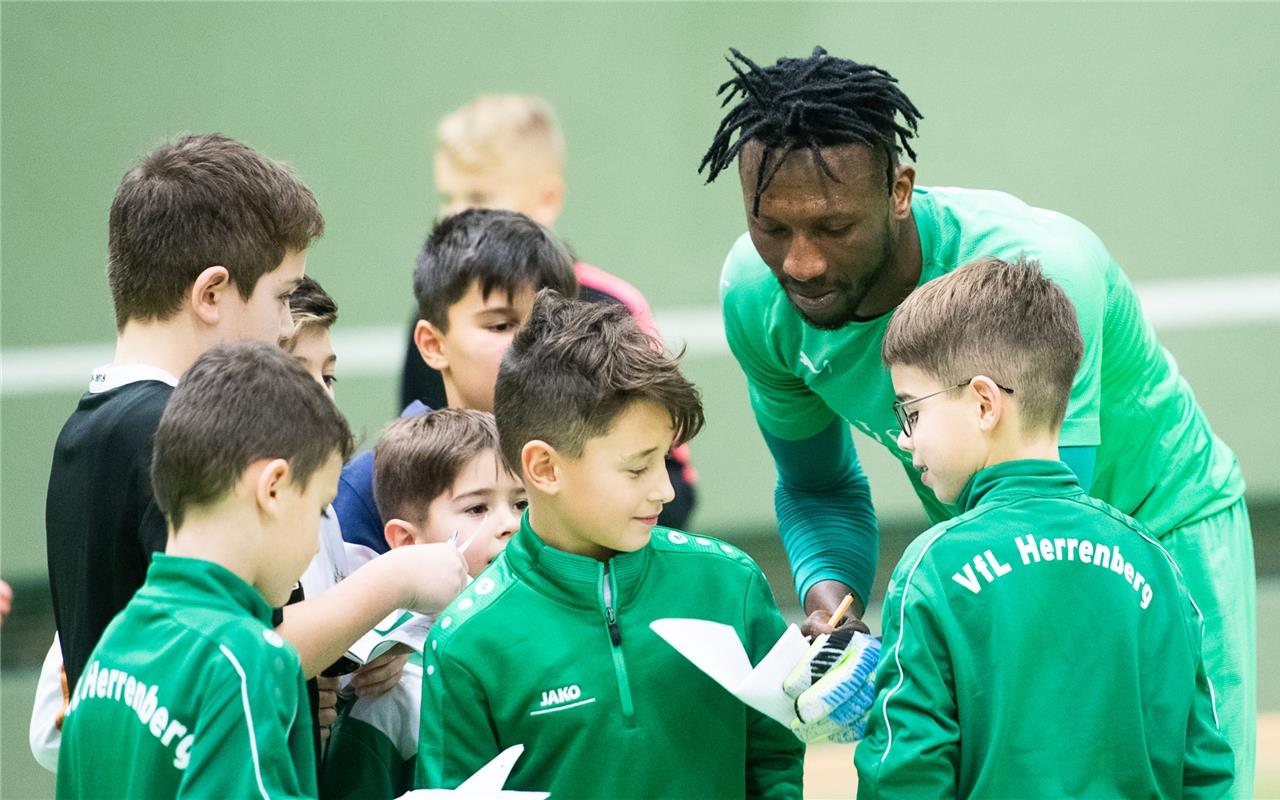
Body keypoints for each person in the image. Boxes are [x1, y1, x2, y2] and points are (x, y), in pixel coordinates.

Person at [701, 47, 1254, 792]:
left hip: (1158, 527)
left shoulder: (1040, 268)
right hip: (994, 534)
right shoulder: (756, 300)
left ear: (899, 190)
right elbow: (819, 485)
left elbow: (1054, 531)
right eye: (772, 228)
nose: (798, 263)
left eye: (832, 229)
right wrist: (832, 600)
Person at [42, 134, 467, 766]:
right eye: (279, 297)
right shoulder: (175, 433)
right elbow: (252, 647)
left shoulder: (89, 427)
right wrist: (396, 579)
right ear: (211, 294)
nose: (284, 327)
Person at [852, 257, 1233, 798]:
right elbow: (1206, 773)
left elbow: (904, 777)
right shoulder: (1155, 562)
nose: (906, 438)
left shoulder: (933, 568)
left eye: (911, 411)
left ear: (984, 403)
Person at [414, 290, 804, 799]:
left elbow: (775, 759)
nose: (665, 489)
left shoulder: (731, 584)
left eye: (666, 458)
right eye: (638, 467)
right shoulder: (466, 642)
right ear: (545, 468)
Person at [57, 342, 462, 797]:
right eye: (322, 509)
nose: (315, 542)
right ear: (273, 488)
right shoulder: (247, 662)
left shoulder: (108, 650)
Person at [400, 94, 697, 527]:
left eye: (479, 196)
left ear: (546, 200)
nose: (458, 213)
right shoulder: (440, 314)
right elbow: (416, 450)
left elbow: (672, 477)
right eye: (449, 196)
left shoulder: (611, 305)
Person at [334, 208, 576, 568]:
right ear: (433, 344)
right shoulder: (370, 485)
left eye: (548, 324)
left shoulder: (583, 463)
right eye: (500, 325)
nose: (532, 343)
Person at [321, 409, 526, 799]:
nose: (510, 524)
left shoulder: (563, 634)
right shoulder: (390, 691)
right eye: (477, 509)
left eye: (521, 504)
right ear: (406, 541)